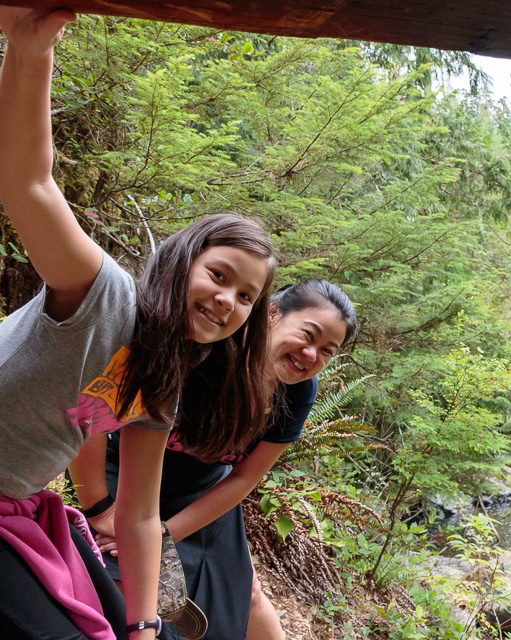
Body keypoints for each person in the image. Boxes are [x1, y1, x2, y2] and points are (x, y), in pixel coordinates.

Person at [0, 7, 277, 640]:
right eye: (219, 275)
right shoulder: (103, 295)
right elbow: (29, 183)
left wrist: (147, 626)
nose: (227, 301)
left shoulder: (160, 382)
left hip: (17, 502)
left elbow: (140, 515)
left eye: (246, 297)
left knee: (114, 619)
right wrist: (31, 49)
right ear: (182, 261)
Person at [96, 281, 357, 639]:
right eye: (308, 335)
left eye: (327, 351)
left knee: (245, 594)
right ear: (272, 313)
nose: (311, 355)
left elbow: (245, 477)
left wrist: (165, 534)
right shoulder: (209, 351)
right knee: (132, 584)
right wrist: (108, 509)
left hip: (205, 492)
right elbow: (100, 412)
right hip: (129, 474)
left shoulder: (298, 391)